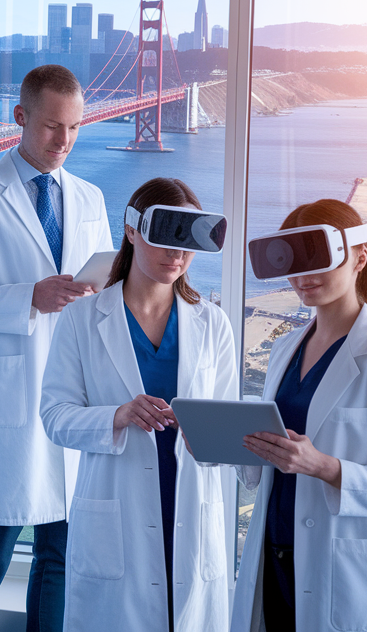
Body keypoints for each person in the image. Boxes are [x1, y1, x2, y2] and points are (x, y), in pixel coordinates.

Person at [0, 64, 112, 632]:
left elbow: (106, 286)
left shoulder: (89, 198)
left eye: (76, 128)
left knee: (62, 560)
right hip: (6, 401)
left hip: (74, 393)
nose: (64, 141)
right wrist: (28, 296)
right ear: (20, 118)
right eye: (53, 126)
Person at [39, 178, 237, 632]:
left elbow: (227, 428)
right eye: (165, 237)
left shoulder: (213, 324)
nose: (177, 254)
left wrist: (211, 430)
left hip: (189, 506)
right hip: (117, 511)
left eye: (187, 240)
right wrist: (117, 415)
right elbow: (55, 418)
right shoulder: (83, 319)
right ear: (131, 230)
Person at [232, 199, 367, 632]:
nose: (304, 276)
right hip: (275, 562)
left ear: (360, 257)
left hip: (345, 576)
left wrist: (323, 466)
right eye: (293, 260)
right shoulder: (286, 349)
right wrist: (232, 445)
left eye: (317, 259)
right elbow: (274, 466)